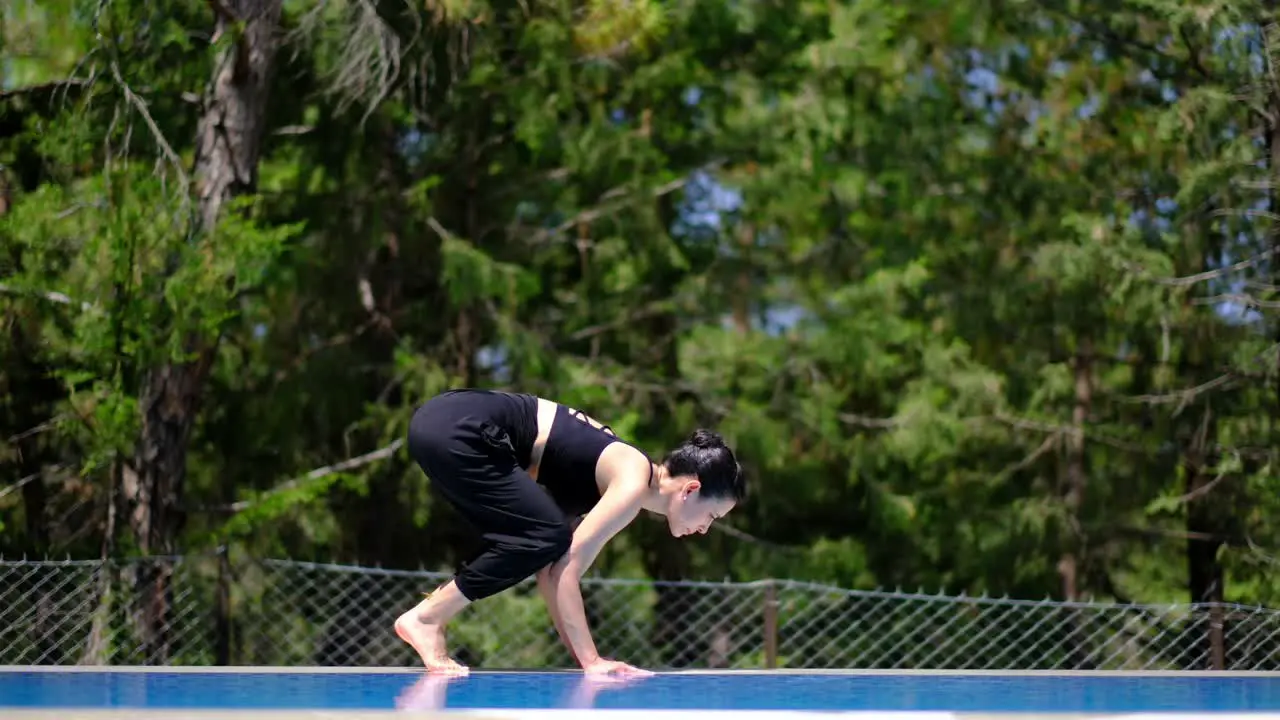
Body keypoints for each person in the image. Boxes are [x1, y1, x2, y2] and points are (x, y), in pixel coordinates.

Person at [394, 388, 747, 676]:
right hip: (460, 427)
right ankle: (426, 617)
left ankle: (429, 618)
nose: (704, 529)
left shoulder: (615, 477)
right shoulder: (633, 480)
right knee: (543, 535)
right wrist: (593, 662)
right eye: (712, 516)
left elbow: (553, 573)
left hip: (444, 422)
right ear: (690, 490)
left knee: (541, 540)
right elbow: (568, 567)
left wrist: (586, 661)